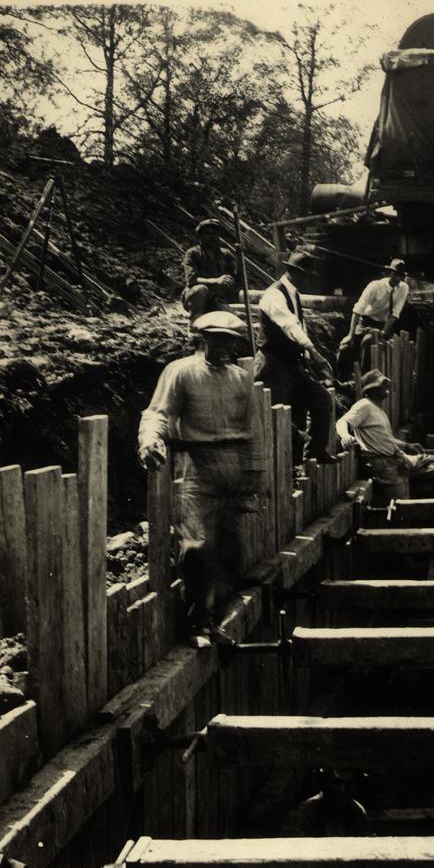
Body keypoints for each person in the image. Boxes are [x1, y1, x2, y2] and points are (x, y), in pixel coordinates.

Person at [138, 311, 264, 639]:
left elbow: (251, 429)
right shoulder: (180, 372)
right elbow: (157, 413)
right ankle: (199, 621)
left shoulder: (241, 378)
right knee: (197, 545)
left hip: (232, 466)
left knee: (230, 548)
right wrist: (150, 440)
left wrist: (252, 474)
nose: (224, 347)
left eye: (231, 342)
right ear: (201, 339)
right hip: (196, 464)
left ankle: (220, 612)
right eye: (217, 340)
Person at [340, 369, 434, 503]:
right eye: (383, 384)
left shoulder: (378, 409)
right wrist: (345, 435)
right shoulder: (364, 405)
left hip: (397, 457)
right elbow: (342, 422)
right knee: (401, 504)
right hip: (384, 466)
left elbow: (386, 440)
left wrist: (407, 445)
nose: (387, 387)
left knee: (429, 460)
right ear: (371, 389)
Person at [257, 249, 339, 462]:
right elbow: (289, 325)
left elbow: (299, 327)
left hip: (293, 362)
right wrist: (314, 351)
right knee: (278, 415)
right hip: (273, 362)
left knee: (321, 400)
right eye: (305, 275)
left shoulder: (295, 295)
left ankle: (313, 453)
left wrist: (309, 359)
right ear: (293, 272)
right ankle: (282, 464)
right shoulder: (274, 294)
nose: (308, 281)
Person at [339, 258, 410, 363]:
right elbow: (357, 310)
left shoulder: (404, 288)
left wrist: (382, 333)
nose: (397, 279)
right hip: (366, 322)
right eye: (395, 274)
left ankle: (365, 376)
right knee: (345, 349)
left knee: (369, 342)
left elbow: (394, 314)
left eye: (401, 276)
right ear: (389, 273)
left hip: (383, 325)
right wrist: (350, 334)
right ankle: (341, 377)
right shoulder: (375, 286)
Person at [181, 219, 240, 320]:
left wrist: (240, 257)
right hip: (197, 298)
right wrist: (216, 281)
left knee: (238, 316)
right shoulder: (193, 253)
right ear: (200, 235)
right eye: (208, 233)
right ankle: (194, 326)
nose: (212, 236)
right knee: (200, 289)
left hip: (219, 298)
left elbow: (237, 279)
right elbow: (191, 280)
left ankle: (224, 310)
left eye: (215, 233)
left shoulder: (225, 254)